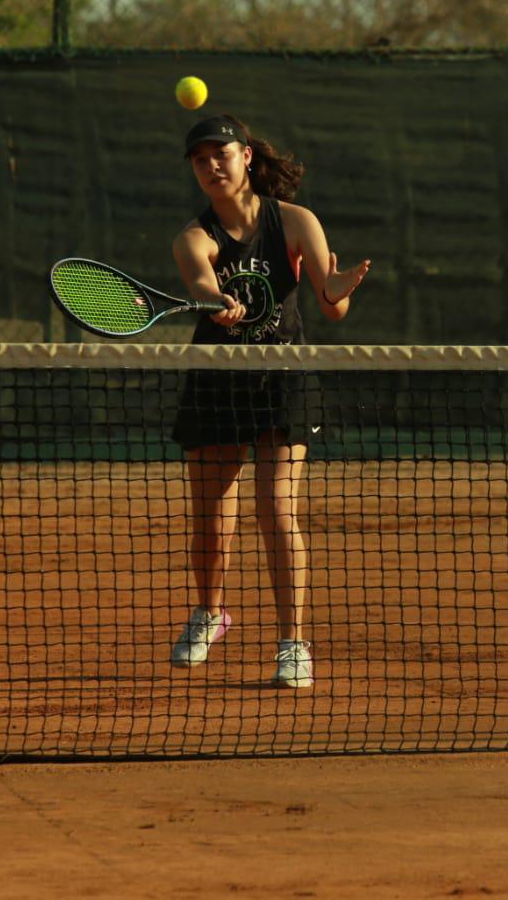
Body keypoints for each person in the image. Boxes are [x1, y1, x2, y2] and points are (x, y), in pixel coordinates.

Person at [168, 113, 370, 689]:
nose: (211, 167)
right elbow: (203, 285)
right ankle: (210, 613)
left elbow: (329, 304)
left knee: (276, 510)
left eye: (221, 155)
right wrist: (216, 301)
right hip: (218, 378)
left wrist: (338, 288)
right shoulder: (194, 238)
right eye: (200, 160)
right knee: (210, 518)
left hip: (284, 376)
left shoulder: (296, 221)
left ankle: (293, 644)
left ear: (246, 158)